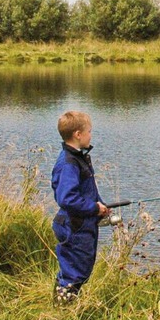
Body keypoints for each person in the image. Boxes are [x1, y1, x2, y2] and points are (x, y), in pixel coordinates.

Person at [51, 110, 110, 304]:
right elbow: (67, 198)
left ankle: (65, 304)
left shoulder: (78, 158)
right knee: (74, 272)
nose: (90, 135)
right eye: (89, 131)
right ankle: (63, 309)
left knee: (81, 268)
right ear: (78, 134)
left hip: (80, 224)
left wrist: (100, 206)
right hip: (73, 226)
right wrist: (93, 208)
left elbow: (86, 192)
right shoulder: (69, 163)